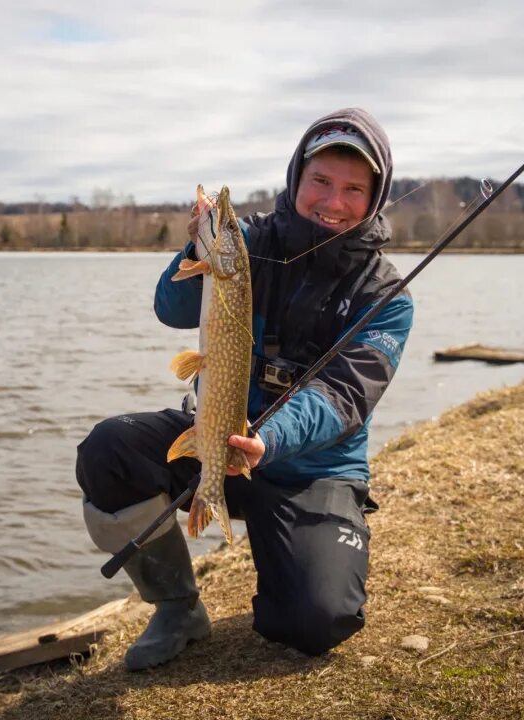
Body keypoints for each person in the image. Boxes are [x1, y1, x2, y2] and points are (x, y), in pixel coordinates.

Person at [77, 107, 414, 670]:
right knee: (109, 450)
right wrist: (200, 251)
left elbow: (344, 397)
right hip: (213, 434)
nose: (334, 201)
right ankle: (178, 608)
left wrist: (268, 440)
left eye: (354, 189)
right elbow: (171, 309)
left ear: (374, 197)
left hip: (312, 471)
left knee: (313, 622)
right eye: (321, 182)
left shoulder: (388, 296)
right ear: (296, 179)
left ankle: (296, 569)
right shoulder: (247, 241)